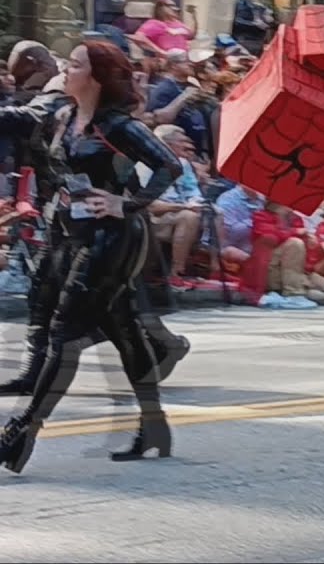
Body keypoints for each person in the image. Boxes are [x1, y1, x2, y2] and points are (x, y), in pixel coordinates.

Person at [0, 41, 186, 473]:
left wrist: (128, 203)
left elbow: (168, 166)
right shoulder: (62, 115)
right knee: (124, 331)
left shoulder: (117, 125)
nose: (66, 66)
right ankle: (155, 426)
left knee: (63, 333)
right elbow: (19, 121)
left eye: (76, 63)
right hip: (73, 233)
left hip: (113, 238)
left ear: (96, 78)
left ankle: (20, 433)